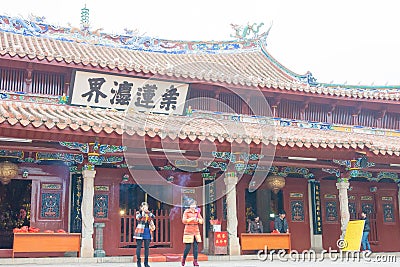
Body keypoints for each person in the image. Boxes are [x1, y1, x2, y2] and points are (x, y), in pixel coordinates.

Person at [181, 199, 203, 267]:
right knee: (188, 247)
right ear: (189, 205)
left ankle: (195, 261)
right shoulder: (186, 212)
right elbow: (184, 221)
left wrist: (198, 220)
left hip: (196, 230)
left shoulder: (197, 212)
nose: (193, 206)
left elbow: (202, 221)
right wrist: (191, 219)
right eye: (192, 204)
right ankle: (184, 258)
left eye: (194, 204)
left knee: (196, 246)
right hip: (188, 230)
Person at [133, 202, 155, 267]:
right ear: (141, 207)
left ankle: (146, 263)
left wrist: (148, 212)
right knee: (139, 247)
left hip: (147, 230)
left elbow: (153, 217)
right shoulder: (138, 213)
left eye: (146, 206)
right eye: (144, 207)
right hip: (140, 231)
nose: (145, 208)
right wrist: (142, 212)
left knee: (147, 248)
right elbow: (138, 218)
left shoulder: (149, 213)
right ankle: (138, 262)